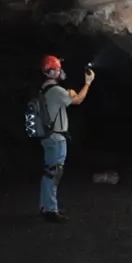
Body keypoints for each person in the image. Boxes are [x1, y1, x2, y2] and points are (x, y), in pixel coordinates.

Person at [38, 55, 94, 223]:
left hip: (48, 137)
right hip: (56, 138)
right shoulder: (56, 91)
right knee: (55, 173)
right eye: (58, 69)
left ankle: (45, 206)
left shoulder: (45, 89)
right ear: (52, 71)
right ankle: (51, 211)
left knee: (49, 172)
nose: (61, 71)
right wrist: (88, 82)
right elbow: (78, 100)